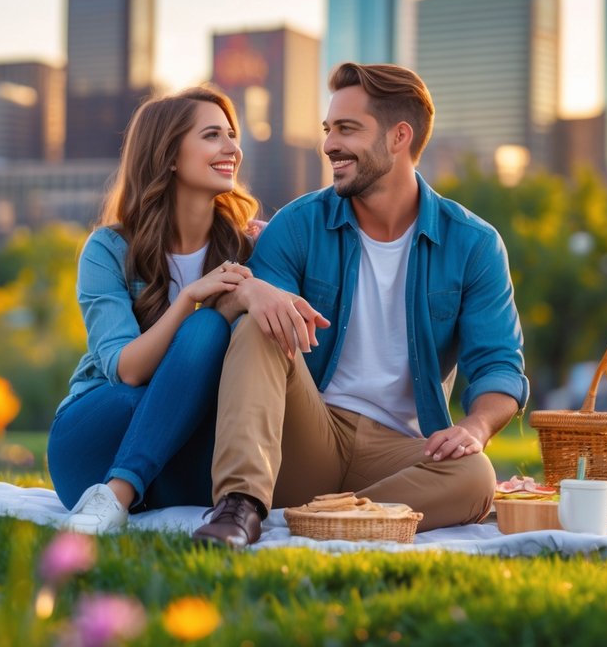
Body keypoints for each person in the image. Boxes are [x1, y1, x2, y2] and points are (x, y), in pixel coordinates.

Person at [191, 62, 528, 548]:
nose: (329, 144)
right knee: (258, 326)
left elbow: (498, 363)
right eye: (329, 129)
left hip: (402, 449)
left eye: (347, 129)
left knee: (475, 477)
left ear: (399, 137)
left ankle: (332, 514)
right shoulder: (299, 224)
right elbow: (243, 319)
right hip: (309, 431)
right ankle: (239, 506)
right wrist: (252, 295)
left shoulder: (473, 244)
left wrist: (474, 427)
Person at [47, 87, 259, 534]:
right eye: (212, 135)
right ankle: (117, 492)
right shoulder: (108, 249)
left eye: (232, 134)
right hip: (96, 443)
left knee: (208, 355)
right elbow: (127, 371)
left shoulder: (246, 248)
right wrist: (188, 300)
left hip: (183, 449)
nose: (231, 148)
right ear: (169, 156)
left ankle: (123, 494)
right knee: (202, 326)